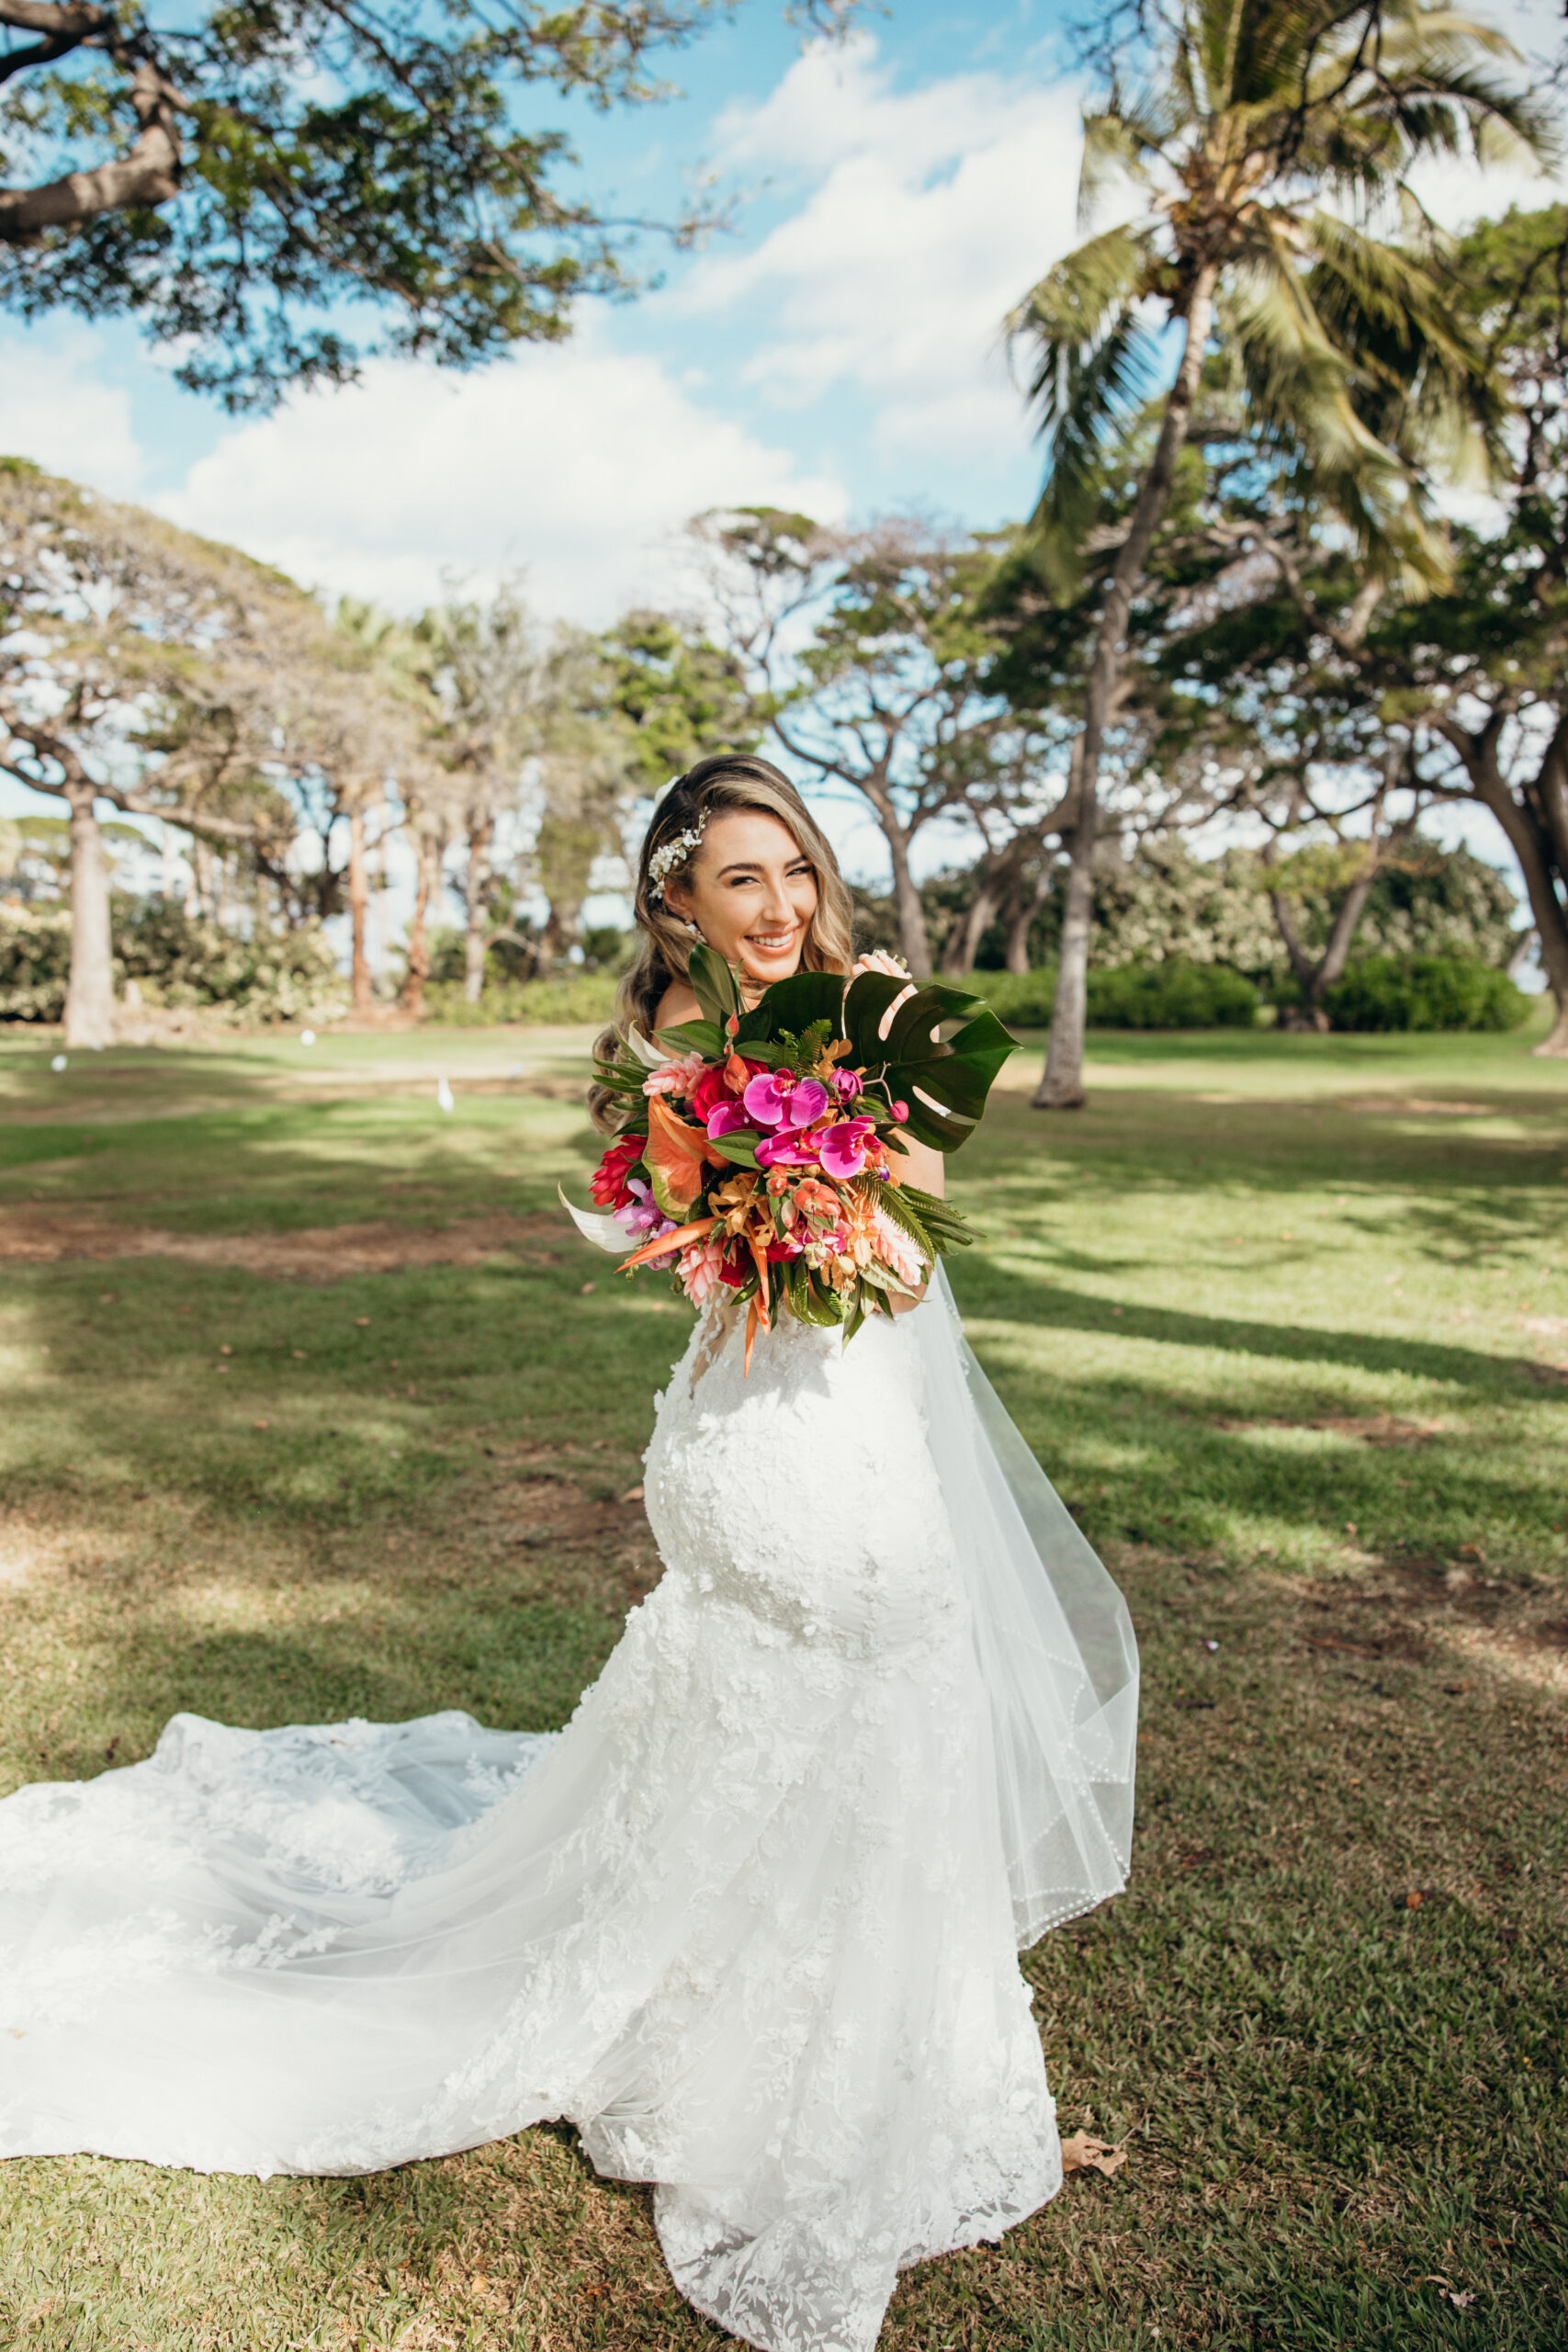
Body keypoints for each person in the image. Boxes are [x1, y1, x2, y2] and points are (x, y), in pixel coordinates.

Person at [0, 752, 1137, 2352]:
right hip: (768, 1434)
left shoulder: (876, 1010)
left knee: (881, 1680)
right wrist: (780, 1217)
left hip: (852, 1417)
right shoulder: (672, 1056)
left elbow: (916, 1243)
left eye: (796, 868)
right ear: (678, 897)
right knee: (843, 1658)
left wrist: (860, 1147)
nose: (782, 903)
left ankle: (871, 2035)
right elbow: (714, 1265)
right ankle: (729, 2036)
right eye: (743, 878)